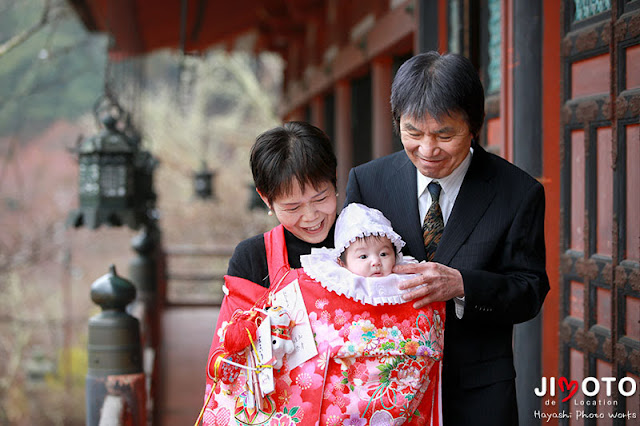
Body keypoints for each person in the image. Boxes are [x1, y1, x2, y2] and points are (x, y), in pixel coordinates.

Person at [344, 51, 550, 426]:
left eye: (444, 134)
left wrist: (461, 285)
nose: (427, 150)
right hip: (381, 389)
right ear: (397, 124)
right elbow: (343, 277)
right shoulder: (367, 183)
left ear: (473, 126)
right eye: (413, 132)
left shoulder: (517, 192)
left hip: (477, 393)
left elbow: (530, 290)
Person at [199, 122, 445, 426]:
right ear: (266, 199)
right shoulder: (254, 258)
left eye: (320, 199)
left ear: (336, 182)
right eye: (292, 207)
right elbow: (228, 358)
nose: (311, 216)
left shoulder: (371, 244)